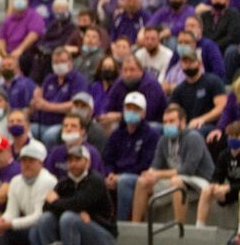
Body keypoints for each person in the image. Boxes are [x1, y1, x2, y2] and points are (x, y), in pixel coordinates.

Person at [31, 146, 117, 245]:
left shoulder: (96, 181)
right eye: (70, 160)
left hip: (103, 235)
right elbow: (46, 208)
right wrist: (75, 209)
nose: (73, 164)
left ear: (87, 162)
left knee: (69, 218)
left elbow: (77, 203)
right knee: (46, 219)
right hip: (77, 232)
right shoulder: (65, 183)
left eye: (78, 159)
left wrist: (57, 203)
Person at [132, 104, 214, 223]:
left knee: (176, 181)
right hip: (178, 178)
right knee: (142, 182)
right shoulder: (163, 140)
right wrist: (149, 174)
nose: (167, 125)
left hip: (201, 180)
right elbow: (155, 166)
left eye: (172, 121)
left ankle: (179, 228)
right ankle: (135, 227)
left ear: (182, 122)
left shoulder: (193, 137)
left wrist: (158, 175)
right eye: (165, 122)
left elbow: (187, 170)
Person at [103, 92, 161, 221]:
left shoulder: (151, 135)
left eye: (136, 109)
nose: (131, 111)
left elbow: (146, 163)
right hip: (116, 175)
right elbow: (107, 159)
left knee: (124, 181)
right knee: (97, 180)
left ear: (143, 113)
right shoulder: (116, 134)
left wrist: (120, 176)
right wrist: (110, 173)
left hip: (138, 176)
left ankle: (122, 224)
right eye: (128, 108)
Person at [0, 141, 57, 245]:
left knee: (35, 231)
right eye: (24, 161)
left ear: (40, 162)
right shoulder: (16, 181)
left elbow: (38, 216)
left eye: (31, 161)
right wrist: (2, 221)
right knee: (2, 233)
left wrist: (11, 224)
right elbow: (11, 212)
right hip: (27, 223)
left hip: (45, 227)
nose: (27, 164)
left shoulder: (47, 180)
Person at [30, 47, 88, 147]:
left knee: (49, 136)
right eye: (55, 62)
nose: (59, 65)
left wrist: (48, 106)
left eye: (62, 61)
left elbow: (75, 105)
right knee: (26, 130)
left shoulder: (78, 80)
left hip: (63, 123)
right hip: (43, 122)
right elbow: (39, 99)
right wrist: (35, 100)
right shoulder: (49, 79)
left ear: (70, 62)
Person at [169, 40, 227, 136]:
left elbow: (221, 107)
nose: (188, 65)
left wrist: (202, 119)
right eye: (185, 62)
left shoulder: (212, 81)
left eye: (191, 62)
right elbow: (173, 110)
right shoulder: (179, 89)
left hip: (210, 125)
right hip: (187, 126)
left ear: (200, 64)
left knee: (193, 134)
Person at [196, 121, 240, 244]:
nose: (232, 139)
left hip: (235, 189)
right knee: (206, 190)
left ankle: (239, 235)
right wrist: (215, 186)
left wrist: (228, 188)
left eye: (236, 136)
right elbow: (217, 176)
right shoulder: (224, 155)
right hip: (229, 190)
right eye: (230, 136)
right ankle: (199, 229)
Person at [100, 55, 167, 127]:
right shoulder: (119, 83)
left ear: (141, 70)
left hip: (152, 124)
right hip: (125, 123)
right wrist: (104, 117)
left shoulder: (151, 85)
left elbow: (147, 115)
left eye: (132, 70)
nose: (128, 74)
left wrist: (119, 117)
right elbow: (108, 106)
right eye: (125, 70)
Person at [0, 0, 45, 77]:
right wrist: (3, 53)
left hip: (26, 52)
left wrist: (20, 50)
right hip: (8, 53)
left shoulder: (34, 16)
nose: (19, 0)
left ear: (27, 1)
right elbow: (1, 38)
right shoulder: (8, 19)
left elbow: (33, 35)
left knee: (24, 58)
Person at [44, 113, 104, 180]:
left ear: (82, 131)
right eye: (65, 126)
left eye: (73, 126)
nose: (68, 129)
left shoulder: (92, 153)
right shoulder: (56, 152)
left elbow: (96, 180)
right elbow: (49, 177)